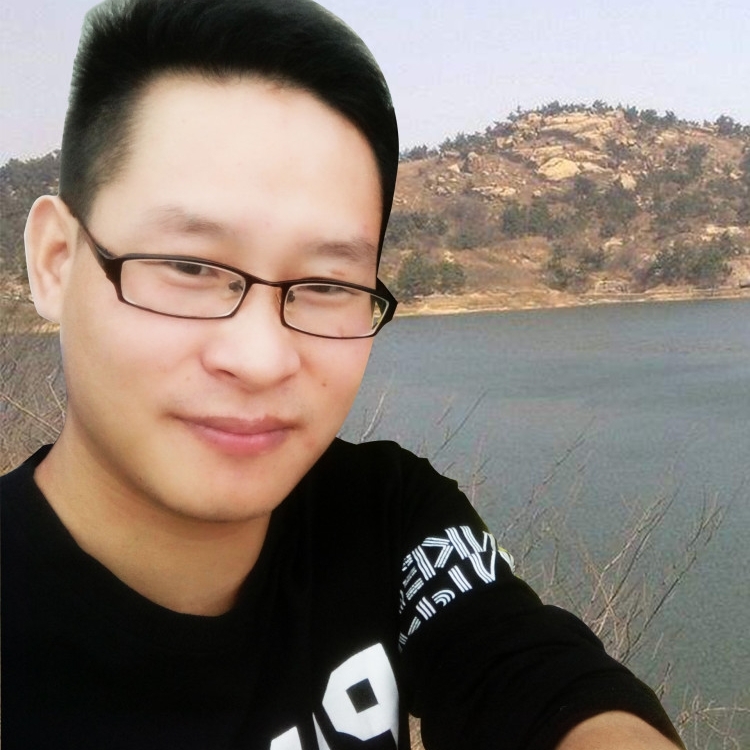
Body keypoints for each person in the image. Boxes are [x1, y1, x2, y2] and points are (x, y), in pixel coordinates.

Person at [0, 1, 685, 748]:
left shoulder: (382, 518)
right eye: (190, 267)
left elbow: (533, 676)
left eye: (327, 284)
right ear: (55, 263)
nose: (260, 359)